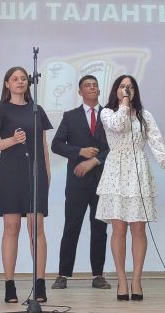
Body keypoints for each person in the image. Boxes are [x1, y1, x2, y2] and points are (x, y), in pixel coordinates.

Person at [95, 75, 165, 301]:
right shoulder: (107, 112)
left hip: (138, 170)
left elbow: (157, 143)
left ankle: (136, 280)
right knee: (119, 229)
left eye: (130, 87)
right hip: (116, 172)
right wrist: (124, 104)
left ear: (136, 91)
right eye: (122, 86)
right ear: (116, 90)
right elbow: (119, 126)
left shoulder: (144, 116)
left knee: (138, 229)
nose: (126, 90)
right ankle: (121, 281)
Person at [0, 66, 53, 304]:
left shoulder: (36, 110)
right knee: (11, 228)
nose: (20, 82)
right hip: (10, 174)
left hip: (35, 173)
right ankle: (9, 285)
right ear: (7, 84)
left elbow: (43, 146)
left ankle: (40, 283)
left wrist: (47, 175)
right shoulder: (0, 110)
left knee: (37, 228)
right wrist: (12, 140)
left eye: (24, 78)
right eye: (15, 79)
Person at [51, 75, 111, 290]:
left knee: (99, 229)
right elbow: (56, 145)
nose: (92, 88)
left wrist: (95, 160)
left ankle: (98, 275)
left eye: (95, 85)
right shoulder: (70, 116)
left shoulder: (109, 115)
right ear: (80, 92)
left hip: (103, 180)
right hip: (77, 180)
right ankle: (63, 274)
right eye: (87, 85)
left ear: (99, 90)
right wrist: (79, 152)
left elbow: (115, 147)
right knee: (71, 226)